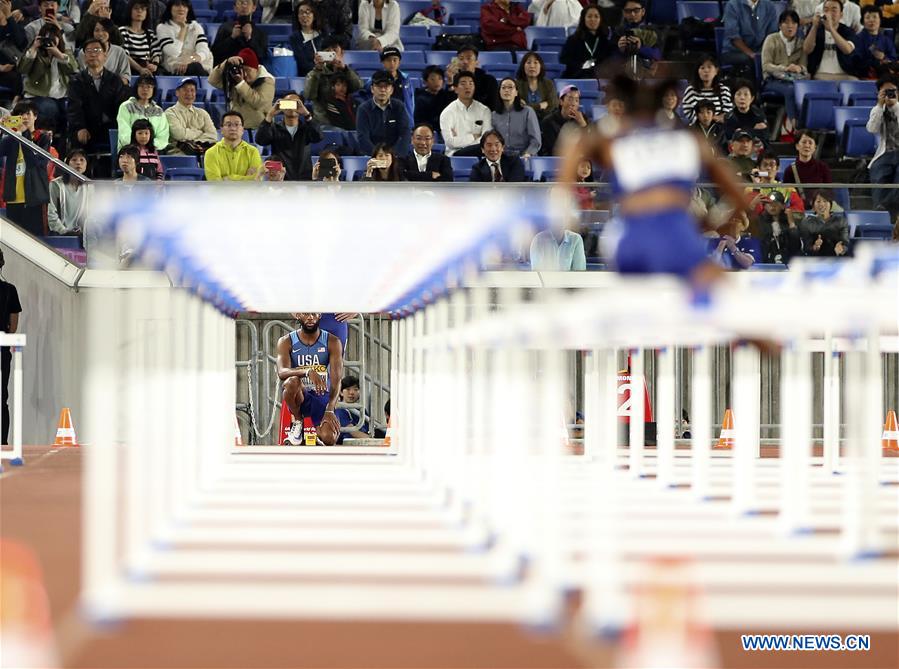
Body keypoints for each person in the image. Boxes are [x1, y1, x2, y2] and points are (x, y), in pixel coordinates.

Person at [558, 76, 749, 291]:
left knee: (634, 306)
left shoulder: (616, 140)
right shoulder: (690, 140)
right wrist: (710, 222)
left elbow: (572, 143)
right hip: (678, 235)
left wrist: (563, 203)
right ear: (664, 109)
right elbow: (738, 195)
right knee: (711, 296)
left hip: (632, 238)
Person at [277, 312, 343, 446]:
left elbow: (337, 380)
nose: (310, 317)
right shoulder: (286, 341)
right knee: (291, 382)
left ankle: (319, 433)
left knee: (329, 438)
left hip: (321, 395)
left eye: (314, 313)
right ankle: (298, 422)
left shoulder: (333, 341)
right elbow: (282, 372)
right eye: (306, 314)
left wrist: (330, 409)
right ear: (297, 315)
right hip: (300, 395)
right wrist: (307, 372)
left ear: (320, 315)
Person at [66, 36, 130, 157]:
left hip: (110, 126)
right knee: (76, 136)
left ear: (105, 56)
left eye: (97, 50)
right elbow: (74, 108)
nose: (93, 54)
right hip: (87, 125)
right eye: (89, 51)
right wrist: (80, 127)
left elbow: (122, 107)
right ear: (84, 57)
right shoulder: (76, 81)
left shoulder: (115, 80)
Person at [17, 21, 77, 138]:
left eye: (53, 36)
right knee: (50, 108)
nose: (50, 40)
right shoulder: (35, 52)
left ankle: (63, 146)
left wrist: (59, 54)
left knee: (71, 114)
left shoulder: (65, 52)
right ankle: (45, 141)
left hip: (61, 95)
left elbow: (74, 68)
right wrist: (34, 48)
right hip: (38, 94)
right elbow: (22, 69)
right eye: (47, 36)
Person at [0, 103, 50, 236]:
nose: (24, 117)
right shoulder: (11, 139)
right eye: (20, 115)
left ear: (35, 117)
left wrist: (23, 134)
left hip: (34, 197)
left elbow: (36, 162)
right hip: (13, 198)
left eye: (28, 114)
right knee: (15, 240)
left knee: (36, 240)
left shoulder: (43, 138)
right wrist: (2, 131)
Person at [761, 9, 808, 139]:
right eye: (786, 22)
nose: (790, 26)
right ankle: (795, 124)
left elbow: (804, 67)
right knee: (790, 90)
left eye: (794, 23)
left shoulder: (801, 42)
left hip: (794, 80)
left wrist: (798, 68)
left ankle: (807, 125)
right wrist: (784, 68)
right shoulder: (771, 39)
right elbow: (766, 65)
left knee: (802, 89)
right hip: (772, 80)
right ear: (780, 25)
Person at [255, 93, 321, 181]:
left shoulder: (306, 129)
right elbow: (261, 140)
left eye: (295, 104)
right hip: (281, 179)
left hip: (304, 179)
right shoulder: (274, 128)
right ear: (282, 106)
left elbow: (318, 137)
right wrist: (270, 115)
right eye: (287, 103)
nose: (291, 107)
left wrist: (307, 114)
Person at [208, 47, 275, 130]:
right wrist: (225, 63)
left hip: (259, 129)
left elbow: (259, 103)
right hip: (237, 128)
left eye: (248, 70)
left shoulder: (267, 81)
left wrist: (241, 84)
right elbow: (212, 81)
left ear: (256, 69)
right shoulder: (235, 78)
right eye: (243, 70)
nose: (245, 74)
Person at [304, 35, 363, 126]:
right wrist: (317, 70)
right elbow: (309, 95)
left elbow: (358, 86)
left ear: (342, 52)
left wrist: (344, 69)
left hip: (346, 121)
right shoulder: (315, 74)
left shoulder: (347, 71)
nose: (331, 52)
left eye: (335, 50)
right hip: (323, 123)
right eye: (327, 51)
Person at [355, 69, 412, 157]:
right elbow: (363, 137)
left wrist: (393, 156)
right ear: (372, 89)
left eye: (386, 86)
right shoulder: (363, 109)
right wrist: (378, 155)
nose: (383, 90)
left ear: (392, 90)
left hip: (396, 158)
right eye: (379, 86)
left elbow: (405, 134)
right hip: (372, 157)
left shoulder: (399, 106)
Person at [866, 76, 899, 213]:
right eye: (885, 91)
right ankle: (878, 209)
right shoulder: (877, 110)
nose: (889, 94)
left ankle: (885, 204)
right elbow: (872, 129)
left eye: (892, 91)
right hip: (885, 152)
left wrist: (895, 105)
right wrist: (880, 106)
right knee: (878, 172)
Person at [440, 71, 493, 156]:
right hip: (455, 154)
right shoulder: (448, 112)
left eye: (471, 84)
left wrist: (459, 140)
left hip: (480, 153)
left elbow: (486, 139)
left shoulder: (484, 110)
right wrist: (473, 137)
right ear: (456, 89)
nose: (467, 87)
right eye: (463, 84)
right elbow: (450, 142)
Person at [803, 0, 858, 80]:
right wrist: (814, 27)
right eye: (826, 10)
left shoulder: (848, 31)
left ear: (841, 15)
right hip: (820, 75)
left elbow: (847, 50)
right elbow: (807, 50)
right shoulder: (815, 30)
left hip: (844, 75)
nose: (829, 13)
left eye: (834, 10)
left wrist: (831, 29)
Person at [155, 0, 213, 76]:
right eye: (177, 5)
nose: (181, 8)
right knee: (194, 67)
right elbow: (174, 52)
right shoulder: (163, 27)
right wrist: (183, 28)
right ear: (170, 8)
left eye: (184, 5)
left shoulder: (196, 26)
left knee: (196, 66)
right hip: (175, 66)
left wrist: (190, 59)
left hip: (197, 64)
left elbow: (204, 50)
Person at [0, 248, 22, 446]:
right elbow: (13, 326)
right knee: (2, 397)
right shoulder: (10, 291)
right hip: (2, 350)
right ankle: (3, 442)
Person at [164, 75, 218, 155]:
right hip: (179, 152)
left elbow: (213, 135)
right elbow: (180, 135)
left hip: (202, 150)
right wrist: (200, 133)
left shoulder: (203, 113)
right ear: (177, 93)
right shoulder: (170, 113)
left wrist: (193, 143)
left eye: (192, 90)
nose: (189, 93)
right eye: (185, 90)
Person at [721, 0, 780, 70]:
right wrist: (752, 55)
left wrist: (762, 53)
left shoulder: (769, 5)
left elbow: (771, 34)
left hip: (760, 50)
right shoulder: (732, 5)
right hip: (734, 51)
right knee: (749, 60)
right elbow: (734, 37)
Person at [117, 73, 170, 150]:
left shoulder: (159, 111)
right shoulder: (126, 107)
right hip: (130, 150)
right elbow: (124, 133)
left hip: (153, 150)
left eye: (149, 87)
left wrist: (149, 147)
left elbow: (163, 137)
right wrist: (138, 147)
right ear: (136, 88)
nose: (145, 89)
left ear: (153, 90)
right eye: (142, 86)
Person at [203, 110, 262, 180]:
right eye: (228, 125)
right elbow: (215, 183)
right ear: (221, 129)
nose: (233, 128)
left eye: (237, 125)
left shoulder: (253, 152)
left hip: (247, 191)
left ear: (242, 129)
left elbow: (256, 180)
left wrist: (229, 178)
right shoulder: (211, 153)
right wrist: (246, 178)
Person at [560, 4, 614, 79]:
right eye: (589, 16)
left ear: (601, 19)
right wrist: (582, 65)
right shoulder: (573, 40)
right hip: (577, 76)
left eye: (596, 16)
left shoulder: (606, 41)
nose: (592, 19)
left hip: (600, 77)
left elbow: (609, 61)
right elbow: (564, 59)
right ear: (583, 19)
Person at [492, 77, 541, 158]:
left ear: (516, 92)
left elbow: (535, 140)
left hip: (525, 155)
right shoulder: (494, 115)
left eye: (510, 87)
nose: (506, 90)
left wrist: (528, 153)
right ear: (499, 92)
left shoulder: (527, 111)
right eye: (503, 88)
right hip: (502, 157)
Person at [782, 129, 833, 205]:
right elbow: (786, 195)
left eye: (810, 142)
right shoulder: (790, 170)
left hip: (819, 207)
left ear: (815, 147)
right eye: (804, 142)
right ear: (797, 146)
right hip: (798, 209)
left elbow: (829, 192)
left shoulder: (823, 167)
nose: (807, 145)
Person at [48, 147, 91, 235]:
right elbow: (51, 213)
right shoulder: (56, 184)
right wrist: (64, 231)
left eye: (82, 160)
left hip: (84, 235)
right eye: (74, 160)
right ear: (67, 163)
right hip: (60, 234)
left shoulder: (90, 186)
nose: (78, 163)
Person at [211, 0, 267, 67]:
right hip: (228, 67)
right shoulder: (225, 28)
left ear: (254, 8)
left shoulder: (259, 32)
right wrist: (232, 38)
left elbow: (261, 56)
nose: (244, 6)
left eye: (247, 3)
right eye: (240, 2)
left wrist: (249, 38)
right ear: (235, 7)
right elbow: (215, 53)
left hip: (250, 70)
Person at [682, 54, 733, 125]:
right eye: (702, 68)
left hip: (718, 127)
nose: (706, 71)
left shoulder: (724, 90)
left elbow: (728, 112)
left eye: (709, 67)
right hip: (698, 127)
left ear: (716, 71)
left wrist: (718, 119)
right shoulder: (691, 90)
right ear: (698, 71)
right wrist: (704, 120)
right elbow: (687, 110)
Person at [77, 17, 129, 84]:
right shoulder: (84, 52)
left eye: (104, 30)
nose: (100, 33)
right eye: (97, 30)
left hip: (114, 90)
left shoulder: (119, 51)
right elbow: (83, 78)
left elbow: (125, 77)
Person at [539, 84, 587, 156]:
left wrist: (583, 125)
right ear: (561, 101)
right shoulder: (548, 121)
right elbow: (553, 149)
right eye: (570, 99)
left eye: (577, 100)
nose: (573, 103)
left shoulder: (582, 119)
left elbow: (590, 146)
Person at [615, 0, 661, 74]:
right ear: (623, 13)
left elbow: (657, 55)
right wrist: (620, 50)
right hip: (622, 75)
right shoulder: (618, 31)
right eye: (628, 11)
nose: (632, 14)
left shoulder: (652, 31)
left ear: (643, 11)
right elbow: (610, 59)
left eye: (636, 10)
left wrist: (640, 48)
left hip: (646, 73)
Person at [756, 191, 803, 264]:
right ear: (764, 206)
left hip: (788, 260)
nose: (772, 206)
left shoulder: (789, 221)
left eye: (776, 203)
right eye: (769, 204)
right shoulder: (759, 221)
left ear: (783, 206)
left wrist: (791, 223)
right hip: (766, 262)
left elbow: (796, 245)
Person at [799, 191, 850, 255]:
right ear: (813, 207)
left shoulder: (841, 221)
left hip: (836, 258)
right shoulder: (806, 223)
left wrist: (842, 248)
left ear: (830, 205)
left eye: (825, 201)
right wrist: (815, 247)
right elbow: (806, 248)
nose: (822, 204)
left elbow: (845, 242)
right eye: (818, 201)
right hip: (815, 259)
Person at [854, 5, 896, 79]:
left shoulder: (886, 40)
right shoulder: (857, 39)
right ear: (862, 21)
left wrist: (884, 57)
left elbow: (893, 59)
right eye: (868, 17)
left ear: (880, 20)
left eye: (875, 17)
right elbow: (856, 61)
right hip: (863, 76)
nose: (871, 20)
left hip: (886, 76)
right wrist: (876, 62)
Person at [120, 0, 161, 76]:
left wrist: (154, 65)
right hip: (129, 71)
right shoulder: (123, 31)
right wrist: (140, 69)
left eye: (143, 9)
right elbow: (124, 55)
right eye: (136, 8)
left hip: (147, 70)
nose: (139, 11)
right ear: (130, 11)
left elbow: (156, 53)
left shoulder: (150, 34)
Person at [516, 51, 559, 121]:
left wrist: (528, 107)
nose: (532, 66)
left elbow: (553, 105)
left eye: (535, 62)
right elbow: (520, 108)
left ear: (541, 66)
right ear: (523, 66)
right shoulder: (517, 84)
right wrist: (540, 106)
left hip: (545, 121)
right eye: (528, 62)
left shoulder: (548, 83)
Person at [723, 79, 768, 145]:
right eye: (738, 94)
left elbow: (765, 138)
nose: (742, 98)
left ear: (752, 98)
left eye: (746, 94)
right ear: (733, 98)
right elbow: (729, 140)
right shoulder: (729, 117)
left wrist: (740, 131)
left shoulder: (759, 115)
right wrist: (753, 130)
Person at [376, 46, 414, 121]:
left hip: (403, 120)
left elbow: (411, 102)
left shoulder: (406, 79)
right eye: (388, 60)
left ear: (399, 62)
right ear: (382, 62)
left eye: (395, 60)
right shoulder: (375, 79)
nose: (392, 63)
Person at [457, 44, 500, 110]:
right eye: (461, 59)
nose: (465, 62)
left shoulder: (489, 81)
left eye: (469, 58)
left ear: (476, 62)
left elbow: (494, 107)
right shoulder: (454, 80)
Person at [414, 65, 454, 130]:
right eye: (432, 79)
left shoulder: (444, 94)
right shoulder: (420, 98)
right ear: (425, 82)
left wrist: (450, 82)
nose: (437, 82)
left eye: (440, 78)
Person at [289, 1, 322, 77]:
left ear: (314, 16)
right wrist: (316, 67)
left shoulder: (322, 36)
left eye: (308, 12)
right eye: (301, 13)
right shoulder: (294, 38)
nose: (304, 15)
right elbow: (301, 62)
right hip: (305, 76)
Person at [334, 375, 372, 442]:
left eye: (355, 389)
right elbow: (353, 432)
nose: (351, 393)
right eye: (348, 389)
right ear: (341, 392)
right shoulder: (340, 409)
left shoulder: (362, 410)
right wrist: (373, 440)